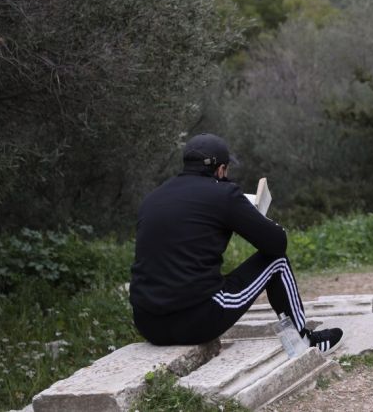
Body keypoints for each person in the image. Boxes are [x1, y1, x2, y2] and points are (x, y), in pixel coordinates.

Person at [129, 133, 343, 354]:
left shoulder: (152, 198)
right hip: (198, 321)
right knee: (277, 262)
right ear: (221, 170)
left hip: (147, 323)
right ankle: (303, 342)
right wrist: (257, 217)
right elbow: (277, 244)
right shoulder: (223, 194)